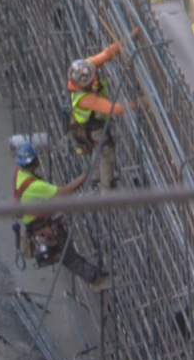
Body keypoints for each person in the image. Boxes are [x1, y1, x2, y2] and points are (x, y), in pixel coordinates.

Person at [13, 141, 109, 288]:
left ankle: (97, 274)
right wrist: (86, 174)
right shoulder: (36, 186)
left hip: (36, 225)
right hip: (44, 228)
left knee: (69, 255)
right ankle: (96, 279)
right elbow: (66, 191)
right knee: (69, 259)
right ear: (34, 161)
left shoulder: (19, 175)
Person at [67, 28, 140, 191]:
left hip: (90, 124)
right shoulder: (85, 99)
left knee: (98, 149)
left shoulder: (86, 67)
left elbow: (107, 54)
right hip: (92, 127)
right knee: (107, 151)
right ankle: (108, 190)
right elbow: (115, 109)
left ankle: (94, 176)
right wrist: (139, 103)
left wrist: (127, 39)